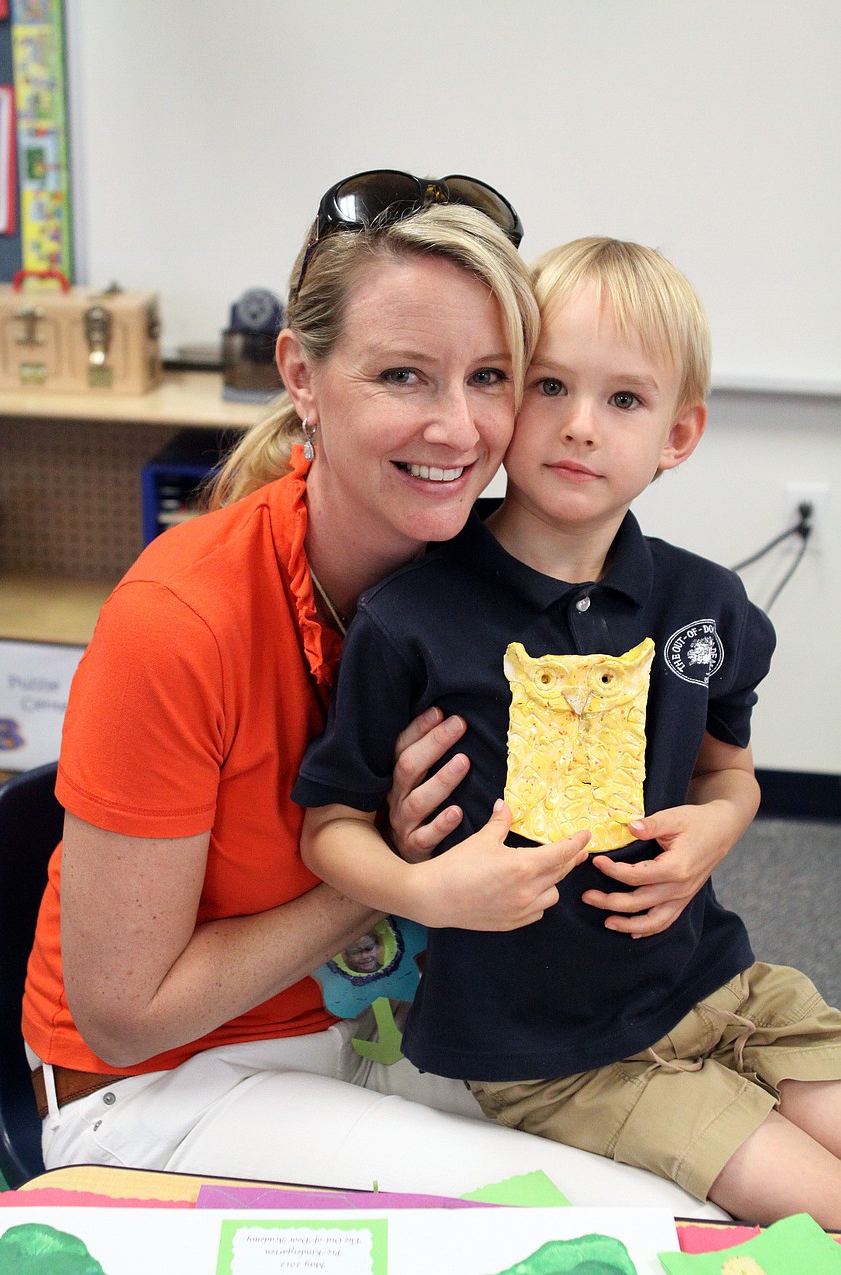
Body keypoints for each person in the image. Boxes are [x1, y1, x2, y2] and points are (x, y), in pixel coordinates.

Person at [21, 173, 726, 1211]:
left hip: (390, 1021)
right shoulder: (179, 622)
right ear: (301, 375)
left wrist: (710, 822)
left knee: (723, 1155)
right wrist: (390, 872)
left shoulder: (478, 577)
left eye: (491, 377)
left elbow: (687, 770)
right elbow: (124, 1018)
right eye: (404, 375)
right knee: (655, 1221)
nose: (458, 429)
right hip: (170, 1083)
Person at [297, 236, 841, 1225]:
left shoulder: (703, 603)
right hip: (559, 1055)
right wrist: (423, 890)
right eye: (549, 386)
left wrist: (719, 826)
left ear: (678, 434)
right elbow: (327, 824)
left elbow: (729, 772)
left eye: (624, 400)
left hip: (722, 982)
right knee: (828, 1204)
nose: (581, 426)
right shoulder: (412, 617)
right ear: (505, 397)